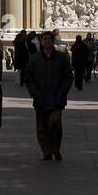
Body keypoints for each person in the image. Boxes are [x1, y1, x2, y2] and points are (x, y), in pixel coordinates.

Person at [24, 31, 73, 161]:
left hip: (57, 98)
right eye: (44, 39)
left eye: (49, 39)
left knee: (55, 124)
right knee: (41, 126)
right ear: (41, 42)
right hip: (40, 98)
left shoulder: (61, 58)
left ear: (53, 41)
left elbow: (68, 78)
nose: (47, 41)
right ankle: (47, 151)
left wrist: (62, 93)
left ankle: (55, 148)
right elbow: (29, 79)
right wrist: (35, 94)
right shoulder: (34, 59)